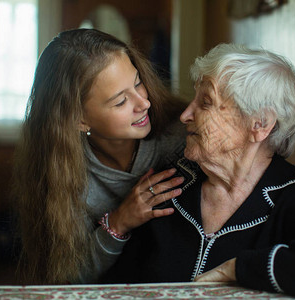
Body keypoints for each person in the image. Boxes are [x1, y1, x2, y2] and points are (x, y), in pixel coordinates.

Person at [106, 44, 295, 299]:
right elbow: (114, 287)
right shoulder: (169, 185)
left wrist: (237, 269)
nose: (186, 114)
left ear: (259, 123)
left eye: (206, 102)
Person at [13, 28, 188, 284]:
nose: (144, 103)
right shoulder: (60, 175)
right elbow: (68, 280)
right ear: (79, 120)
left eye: (138, 82)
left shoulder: (180, 136)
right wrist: (118, 222)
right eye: (120, 102)